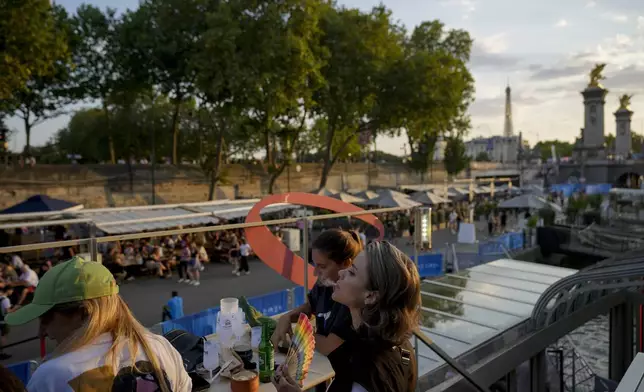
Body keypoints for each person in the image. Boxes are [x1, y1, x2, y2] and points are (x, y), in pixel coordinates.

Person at [4, 256, 191, 391]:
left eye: (45, 318)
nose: (42, 332)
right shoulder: (159, 346)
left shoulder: (51, 377)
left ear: (84, 313)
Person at [272, 241, 420, 392]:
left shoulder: (365, 374)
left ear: (370, 296)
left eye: (352, 272)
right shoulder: (401, 344)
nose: (342, 273)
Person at [271, 229, 362, 366]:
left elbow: (328, 346)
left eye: (322, 266)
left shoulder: (353, 298)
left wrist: (300, 334)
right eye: (315, 264)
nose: (315, 272)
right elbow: (310, 306)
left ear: (346, 264)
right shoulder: (325, 284)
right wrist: (288, 317)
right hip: (321, 362)